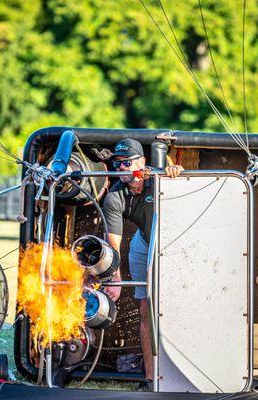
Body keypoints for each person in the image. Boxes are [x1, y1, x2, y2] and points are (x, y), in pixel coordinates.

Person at [101, 138, 183, 389]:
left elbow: (184, 183)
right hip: (144, 242)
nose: (123, 167)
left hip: (177, 242)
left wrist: (175, 173)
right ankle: (151, 378)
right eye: (118, 162)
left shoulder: (159, 179)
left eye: (127, 162)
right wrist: (114, 281)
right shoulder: (114, 196)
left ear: (143, 162)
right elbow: (113, 248)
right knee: (146, 307)